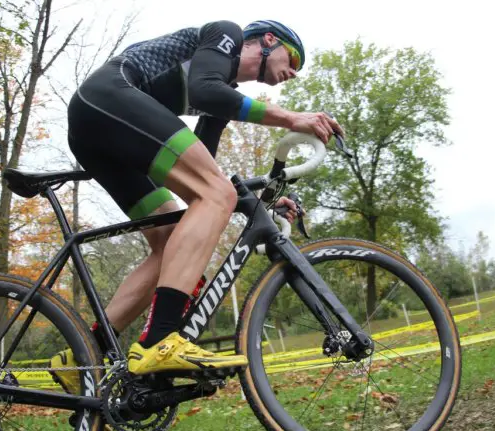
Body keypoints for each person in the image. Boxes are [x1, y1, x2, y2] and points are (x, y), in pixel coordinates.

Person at [52, 20, 344, 387]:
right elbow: (205, 93)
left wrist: (261, 201)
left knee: (171, 242)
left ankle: (84, 354)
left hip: (101, 130)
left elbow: (202, 170)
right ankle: (159, 340)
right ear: (269, 40)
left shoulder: (221, 92)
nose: (294, 72)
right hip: (107, 98)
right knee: (212, 195)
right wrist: (291, 118)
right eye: (294, 57)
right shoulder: (226, 35)